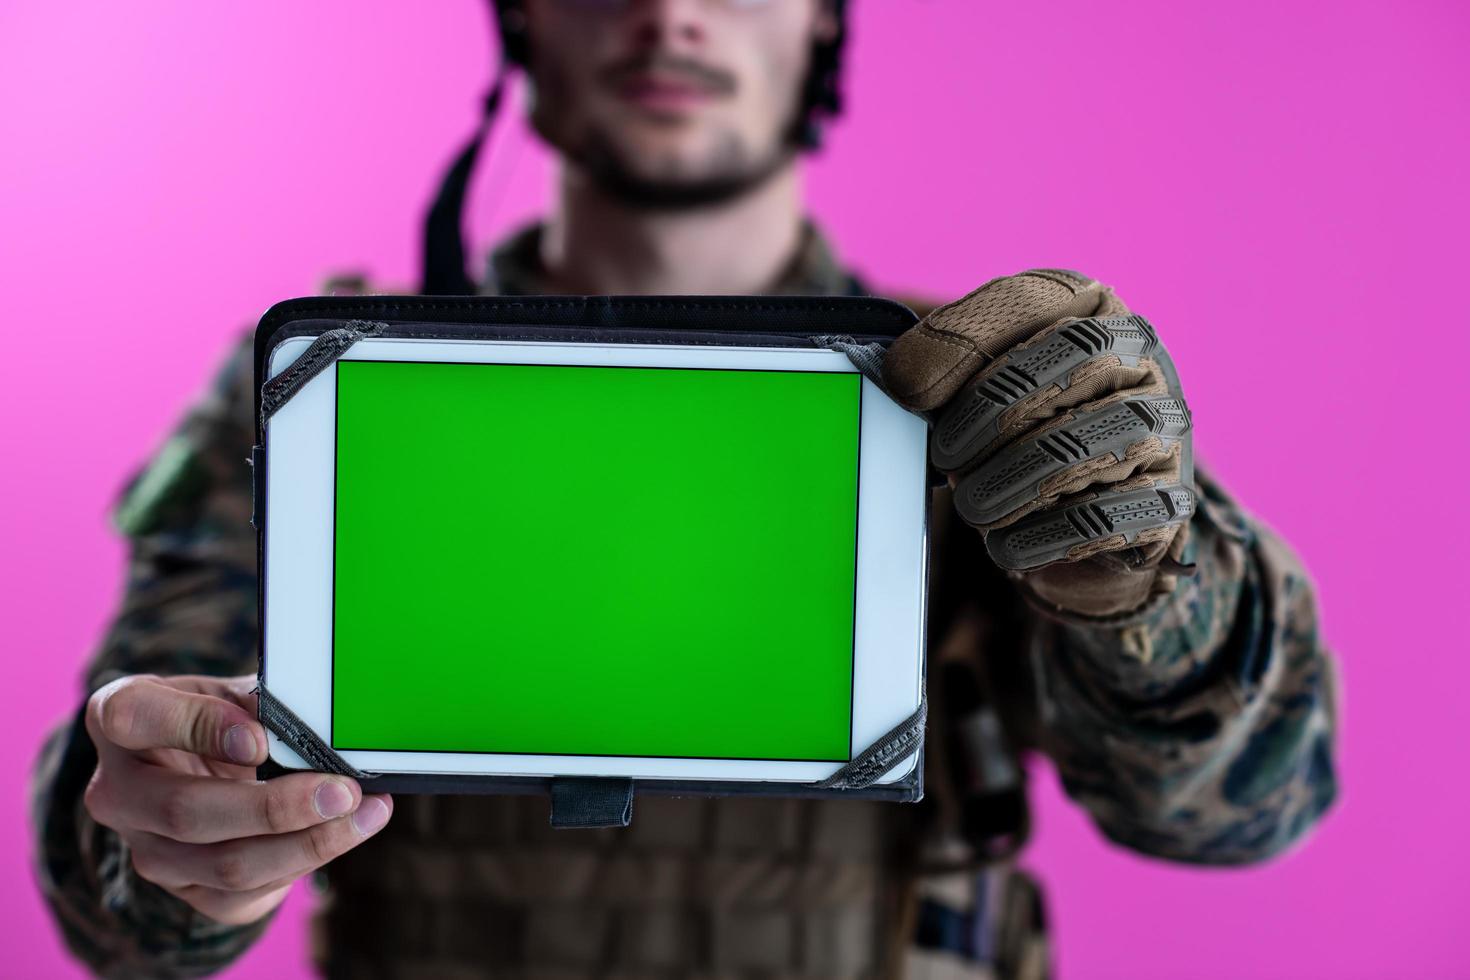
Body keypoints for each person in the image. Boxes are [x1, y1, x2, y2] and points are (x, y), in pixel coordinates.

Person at [31, 2, 1339, 978]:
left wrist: (1153, 592)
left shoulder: (1004, 395)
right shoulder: (336, 393)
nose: (670, 11)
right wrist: (168, 841)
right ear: (525, 18)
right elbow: (125, 844)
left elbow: (1237, 816)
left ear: (820, 24)